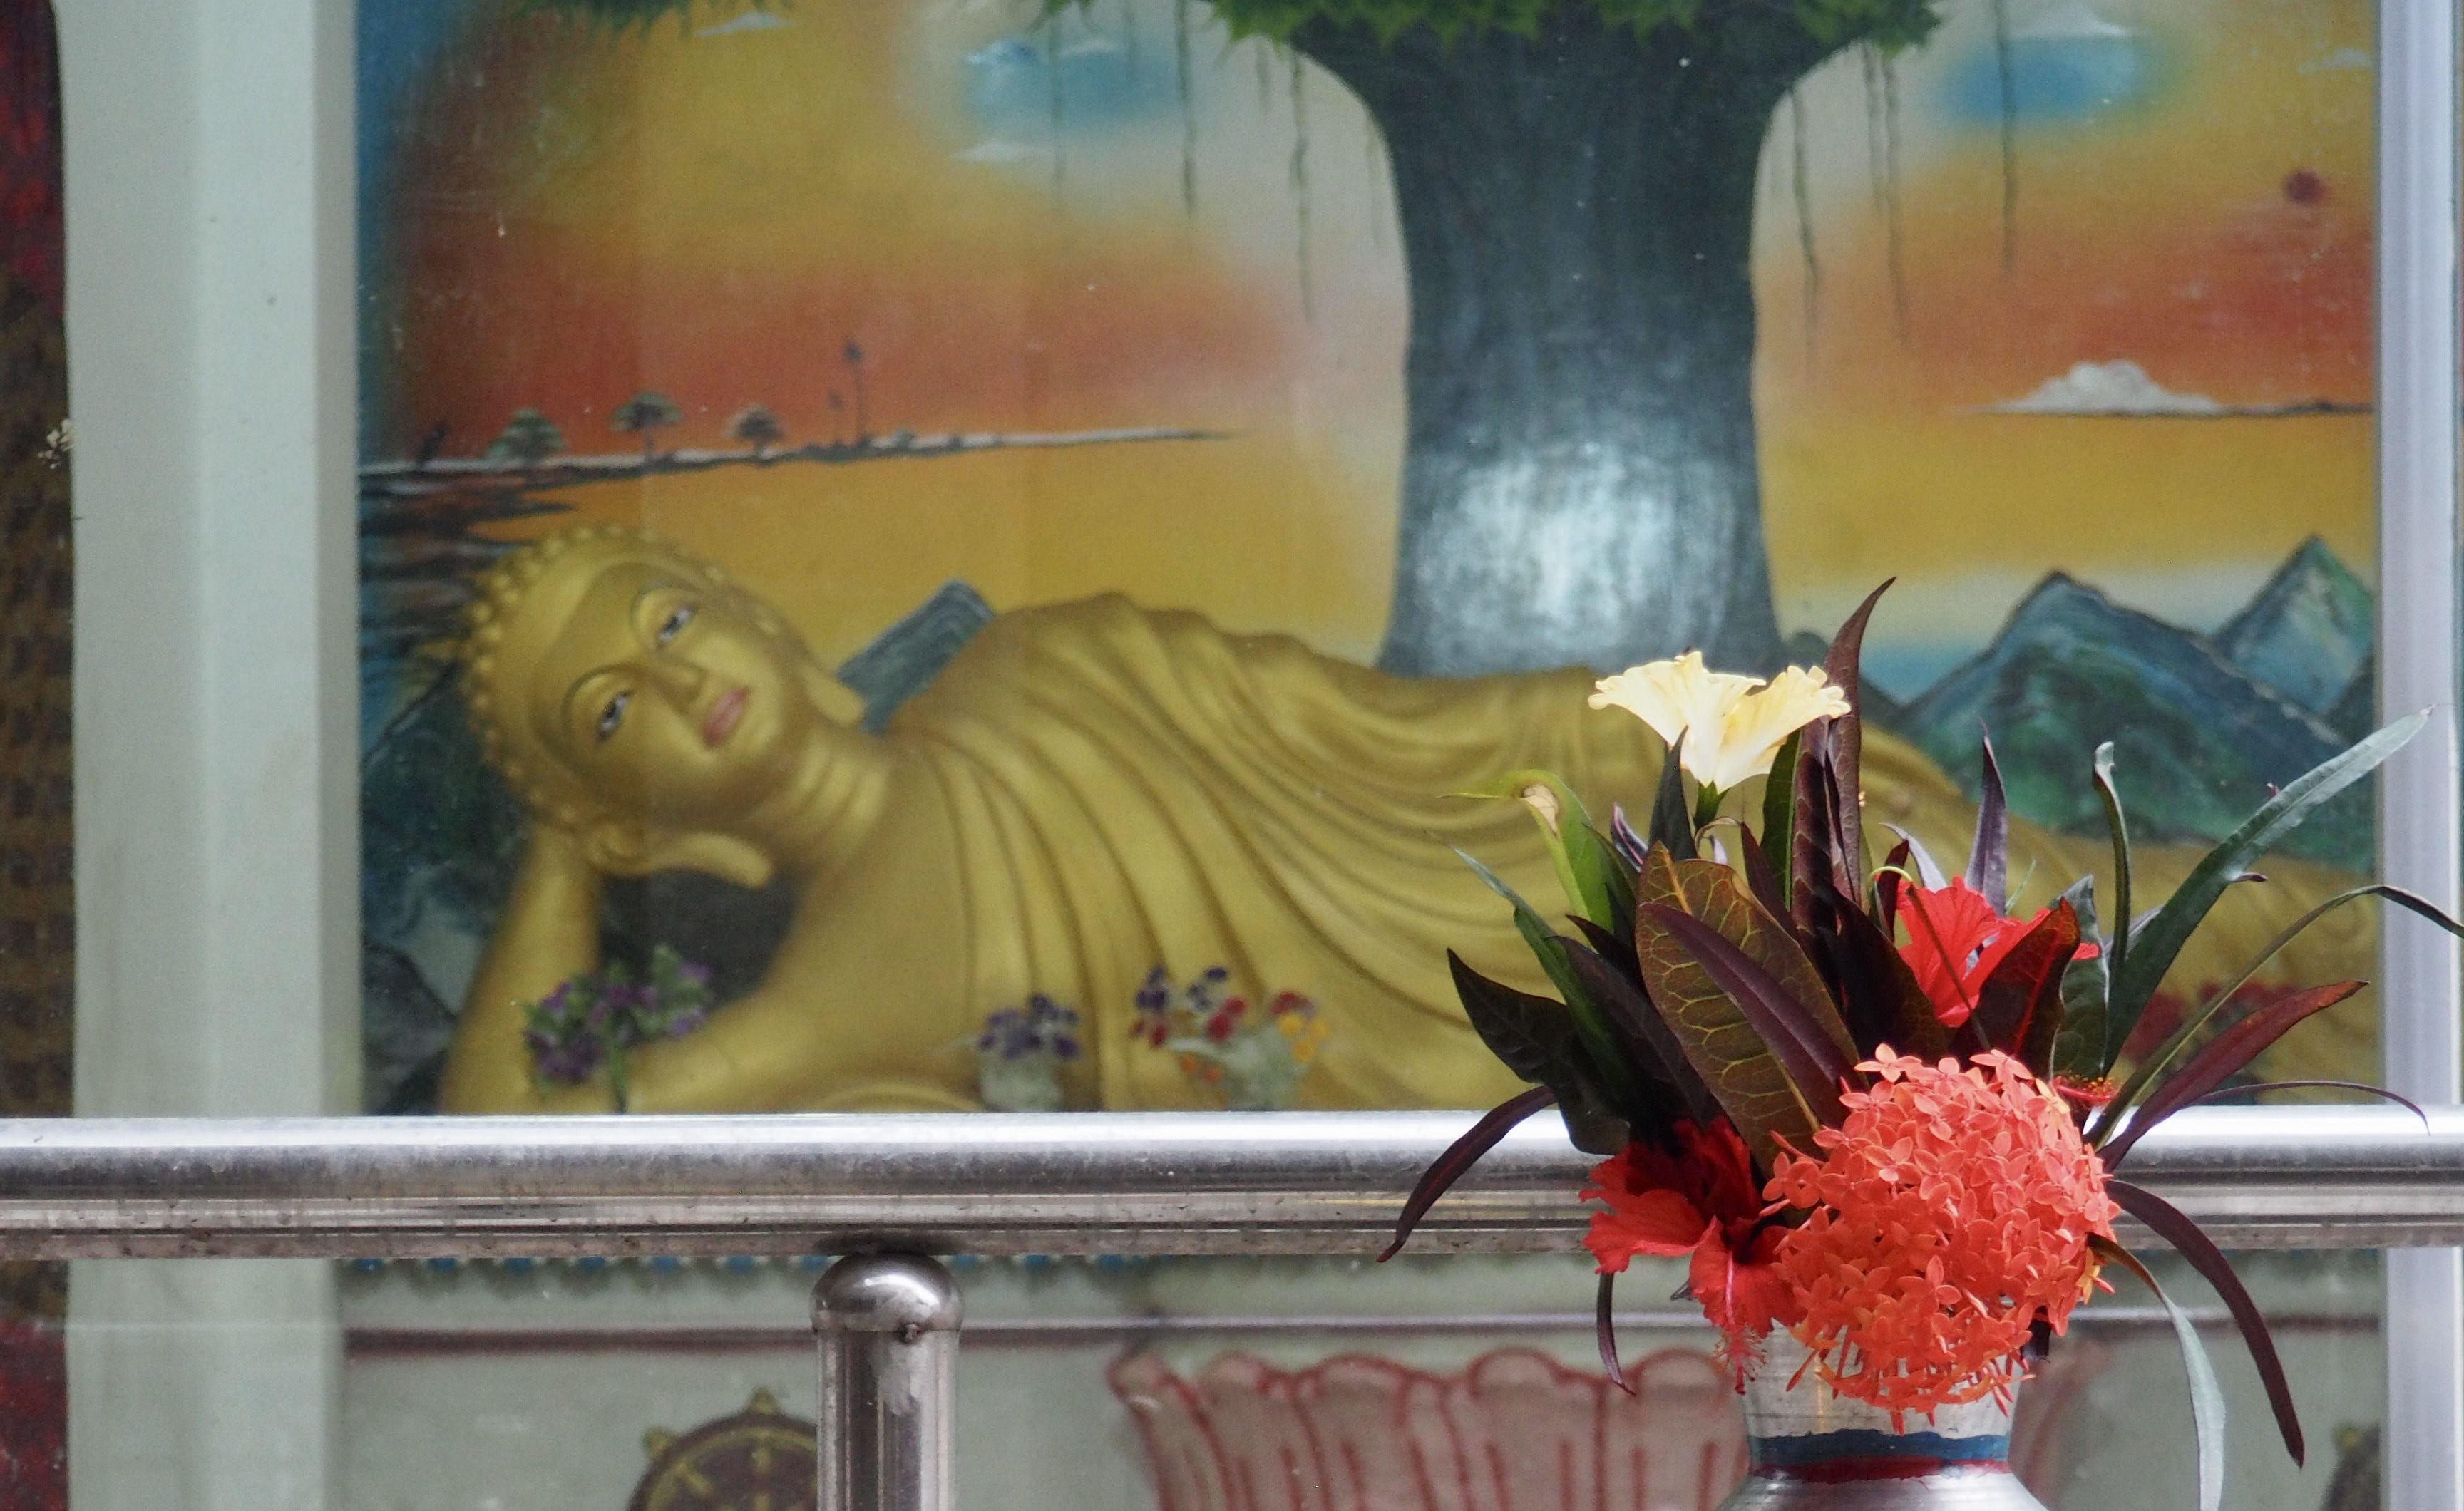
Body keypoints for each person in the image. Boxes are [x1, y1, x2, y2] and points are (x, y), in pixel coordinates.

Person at [445, 524, 2370, 1114]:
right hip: (1468, 1018)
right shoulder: (831, 998)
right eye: (611, 714)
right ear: (628, 821)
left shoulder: (1042, 661)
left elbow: (1369, 729)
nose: (679, 685)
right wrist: (560, 848)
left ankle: (2316, 965)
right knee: (1892, 976)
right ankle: (2279, 1002)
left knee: (1879, 842)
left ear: (762, 609)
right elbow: (499, 1150)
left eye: (673, 621)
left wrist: (1610, 720)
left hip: (1501, 840)